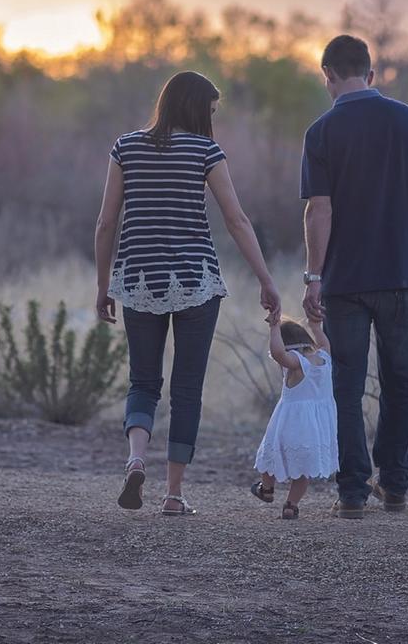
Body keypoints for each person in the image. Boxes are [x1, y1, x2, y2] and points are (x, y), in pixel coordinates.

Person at [94, 71, 281, 516]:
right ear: (198, 108)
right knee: (187, 389)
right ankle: (173, 495)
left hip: (138, 279)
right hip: (196, 280)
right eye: (211, 111)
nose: (212, 120)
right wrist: (266, 279)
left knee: (143, 381)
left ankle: (136, 458)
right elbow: (236, 220)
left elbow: (105, 223)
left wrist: (104, 286)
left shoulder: (125, 147)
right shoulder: (206, 151)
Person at [299, 35, 408, 519]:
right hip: (401, 276)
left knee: (346, 386)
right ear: (371, 74)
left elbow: (318, 211)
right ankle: (395, 484)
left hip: (345, 283)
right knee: (401, 381)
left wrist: (313, 276)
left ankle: (351, 493)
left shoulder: (321, 131)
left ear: (327, 75)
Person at [250, 317, 338, 520]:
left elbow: (279, 353)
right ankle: (291, 505)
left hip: (290, 424)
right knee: (303, 469)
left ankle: (267, 489)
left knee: (270, 455)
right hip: (316, 428)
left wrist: (273, 329)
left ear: (289, 347)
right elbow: (324, 342)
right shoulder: (324, 357)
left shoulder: (297, 363)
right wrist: (315, 326)